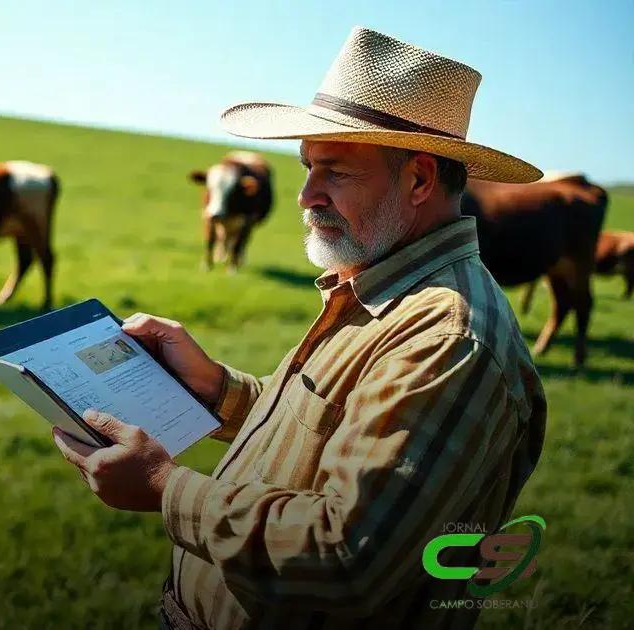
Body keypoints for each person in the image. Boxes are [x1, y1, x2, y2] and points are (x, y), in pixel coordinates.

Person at [51, 27, 547, 629]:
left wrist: (163, 486)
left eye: (334, 172)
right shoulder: (384, 289)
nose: (306, 196)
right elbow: (329, 432)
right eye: (307, 167)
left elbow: (348, 560)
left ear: (419, 180)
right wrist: (215, 388)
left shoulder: (445, 341)